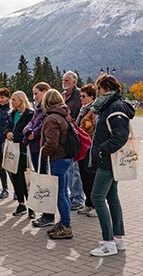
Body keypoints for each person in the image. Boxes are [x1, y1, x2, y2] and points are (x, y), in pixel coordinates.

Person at [88, 74, 134, 257]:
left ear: (105, 88)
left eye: (98, 89)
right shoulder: (112, 105)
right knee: (112, 197)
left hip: (108, 161)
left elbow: (120, 135)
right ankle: (118, 239)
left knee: (97, 197)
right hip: (110, 160)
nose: (97, 92)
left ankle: (108, 242)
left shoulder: (115, 107)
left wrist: (102, 150)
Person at [40, 89, 74, 240]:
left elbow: (51, 143)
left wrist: (43, 152)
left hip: (58, 158)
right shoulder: (64, 115)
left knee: (60, 194)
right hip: (67, 157)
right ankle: (64, 222)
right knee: (64, 192)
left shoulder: (51, 118)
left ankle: (66, 226)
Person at [24, 82, 55, 227]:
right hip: (35, 149)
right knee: (40, 179)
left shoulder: (48, 110)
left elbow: (44, 126)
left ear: (45, 92)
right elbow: (31, 123)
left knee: (45, 181)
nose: (34, 96)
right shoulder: (37, 109)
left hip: (43, 148)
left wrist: (34, 134)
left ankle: (48, 215)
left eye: (36, 93)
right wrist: (29, 131)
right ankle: (44, 213)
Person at [5, 91, 35, 218]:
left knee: (26, 179)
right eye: (12, 99)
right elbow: (6, 127)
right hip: (13, 150)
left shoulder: (29, 114)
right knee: (15, 177)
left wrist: (15, 135)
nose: (12, 102)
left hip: (24, 150)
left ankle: (31, 207)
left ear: (22, 100)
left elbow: (28, 131)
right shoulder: (12, 114)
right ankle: (21, 203)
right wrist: (7, 133)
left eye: (14, 99)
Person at [62, 71, 85, 211]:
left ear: (74, 82)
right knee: (69, 169)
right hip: (65, 136)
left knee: (76, 170)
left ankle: (77, 198)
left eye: (67, 80)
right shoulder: (62, 95)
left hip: (76, 136)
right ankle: (72, 196)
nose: (65, 82)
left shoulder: (79, 95)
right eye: (64, 80)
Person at [76, 84, 97, 218]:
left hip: (90, 146)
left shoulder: (94, 110)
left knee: (91, 177)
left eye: (84, 96)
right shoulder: (83, 109)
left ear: (91, 97)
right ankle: (88, 203)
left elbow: (93, 129)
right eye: (81, 96)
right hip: (82, 147)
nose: (81, 98)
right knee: (84, 176)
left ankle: (96, 205)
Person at [0, 87, 11, 199]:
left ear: (7, 98)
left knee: (11, 166)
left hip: (8, 141)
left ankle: (17, 189)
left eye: (2, 97)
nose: (0, 99)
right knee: (1, 166)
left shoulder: (11, 109)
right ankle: (4, 188)